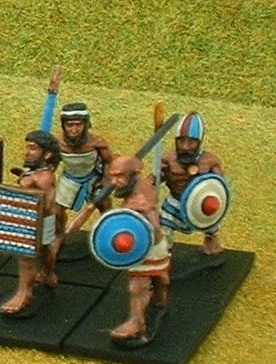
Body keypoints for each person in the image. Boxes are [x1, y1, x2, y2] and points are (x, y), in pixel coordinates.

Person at [105, 155, 171, 344]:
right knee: (159, 276)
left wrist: (137, 242)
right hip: (154, 245)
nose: (114, 182)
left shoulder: (140, 202)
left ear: (133, 175)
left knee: (137, 286)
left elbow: (155, 229)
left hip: (148, 247)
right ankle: (160, 300)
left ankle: (137, 323)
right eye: (112, 176)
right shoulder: (142, 184)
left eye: (119, 176)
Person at [0, 130, 60, 316]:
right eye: (27, 147)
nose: (26, 152)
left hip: (36, 221)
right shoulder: (37, 172)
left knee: (26, 257)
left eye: (32, 148)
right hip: (44, 221)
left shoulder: (44, 178)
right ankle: (48, 274)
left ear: (47, 154)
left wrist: (29, 185)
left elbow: (46, 204)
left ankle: (24, 293)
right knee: (46, 249)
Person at [160, 112, 225, 256]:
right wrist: (153, 179)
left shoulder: (210, 161)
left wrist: (213, 202)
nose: (185, 147)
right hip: (175, 203)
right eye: (181, 141)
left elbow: (220, 187)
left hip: (201, 206)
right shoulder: (167, 159)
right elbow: (154, 180)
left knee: (211, 220)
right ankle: (164, 254)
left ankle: (211, 241)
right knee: (164, 225)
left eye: (191, 142)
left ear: (199, 142)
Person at [52, 102, 114, 253]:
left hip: (93, 178)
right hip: (69, 179)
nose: (74, 130)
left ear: (86, 124)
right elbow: (52, 163)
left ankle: (108, 234)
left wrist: (105, 180)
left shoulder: (97, 142)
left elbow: (108, 161)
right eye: (70, 125)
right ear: (63, 125)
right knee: (57, 210)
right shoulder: (57, 143)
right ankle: (59, 235)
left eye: (78, 125)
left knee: (105, 205)